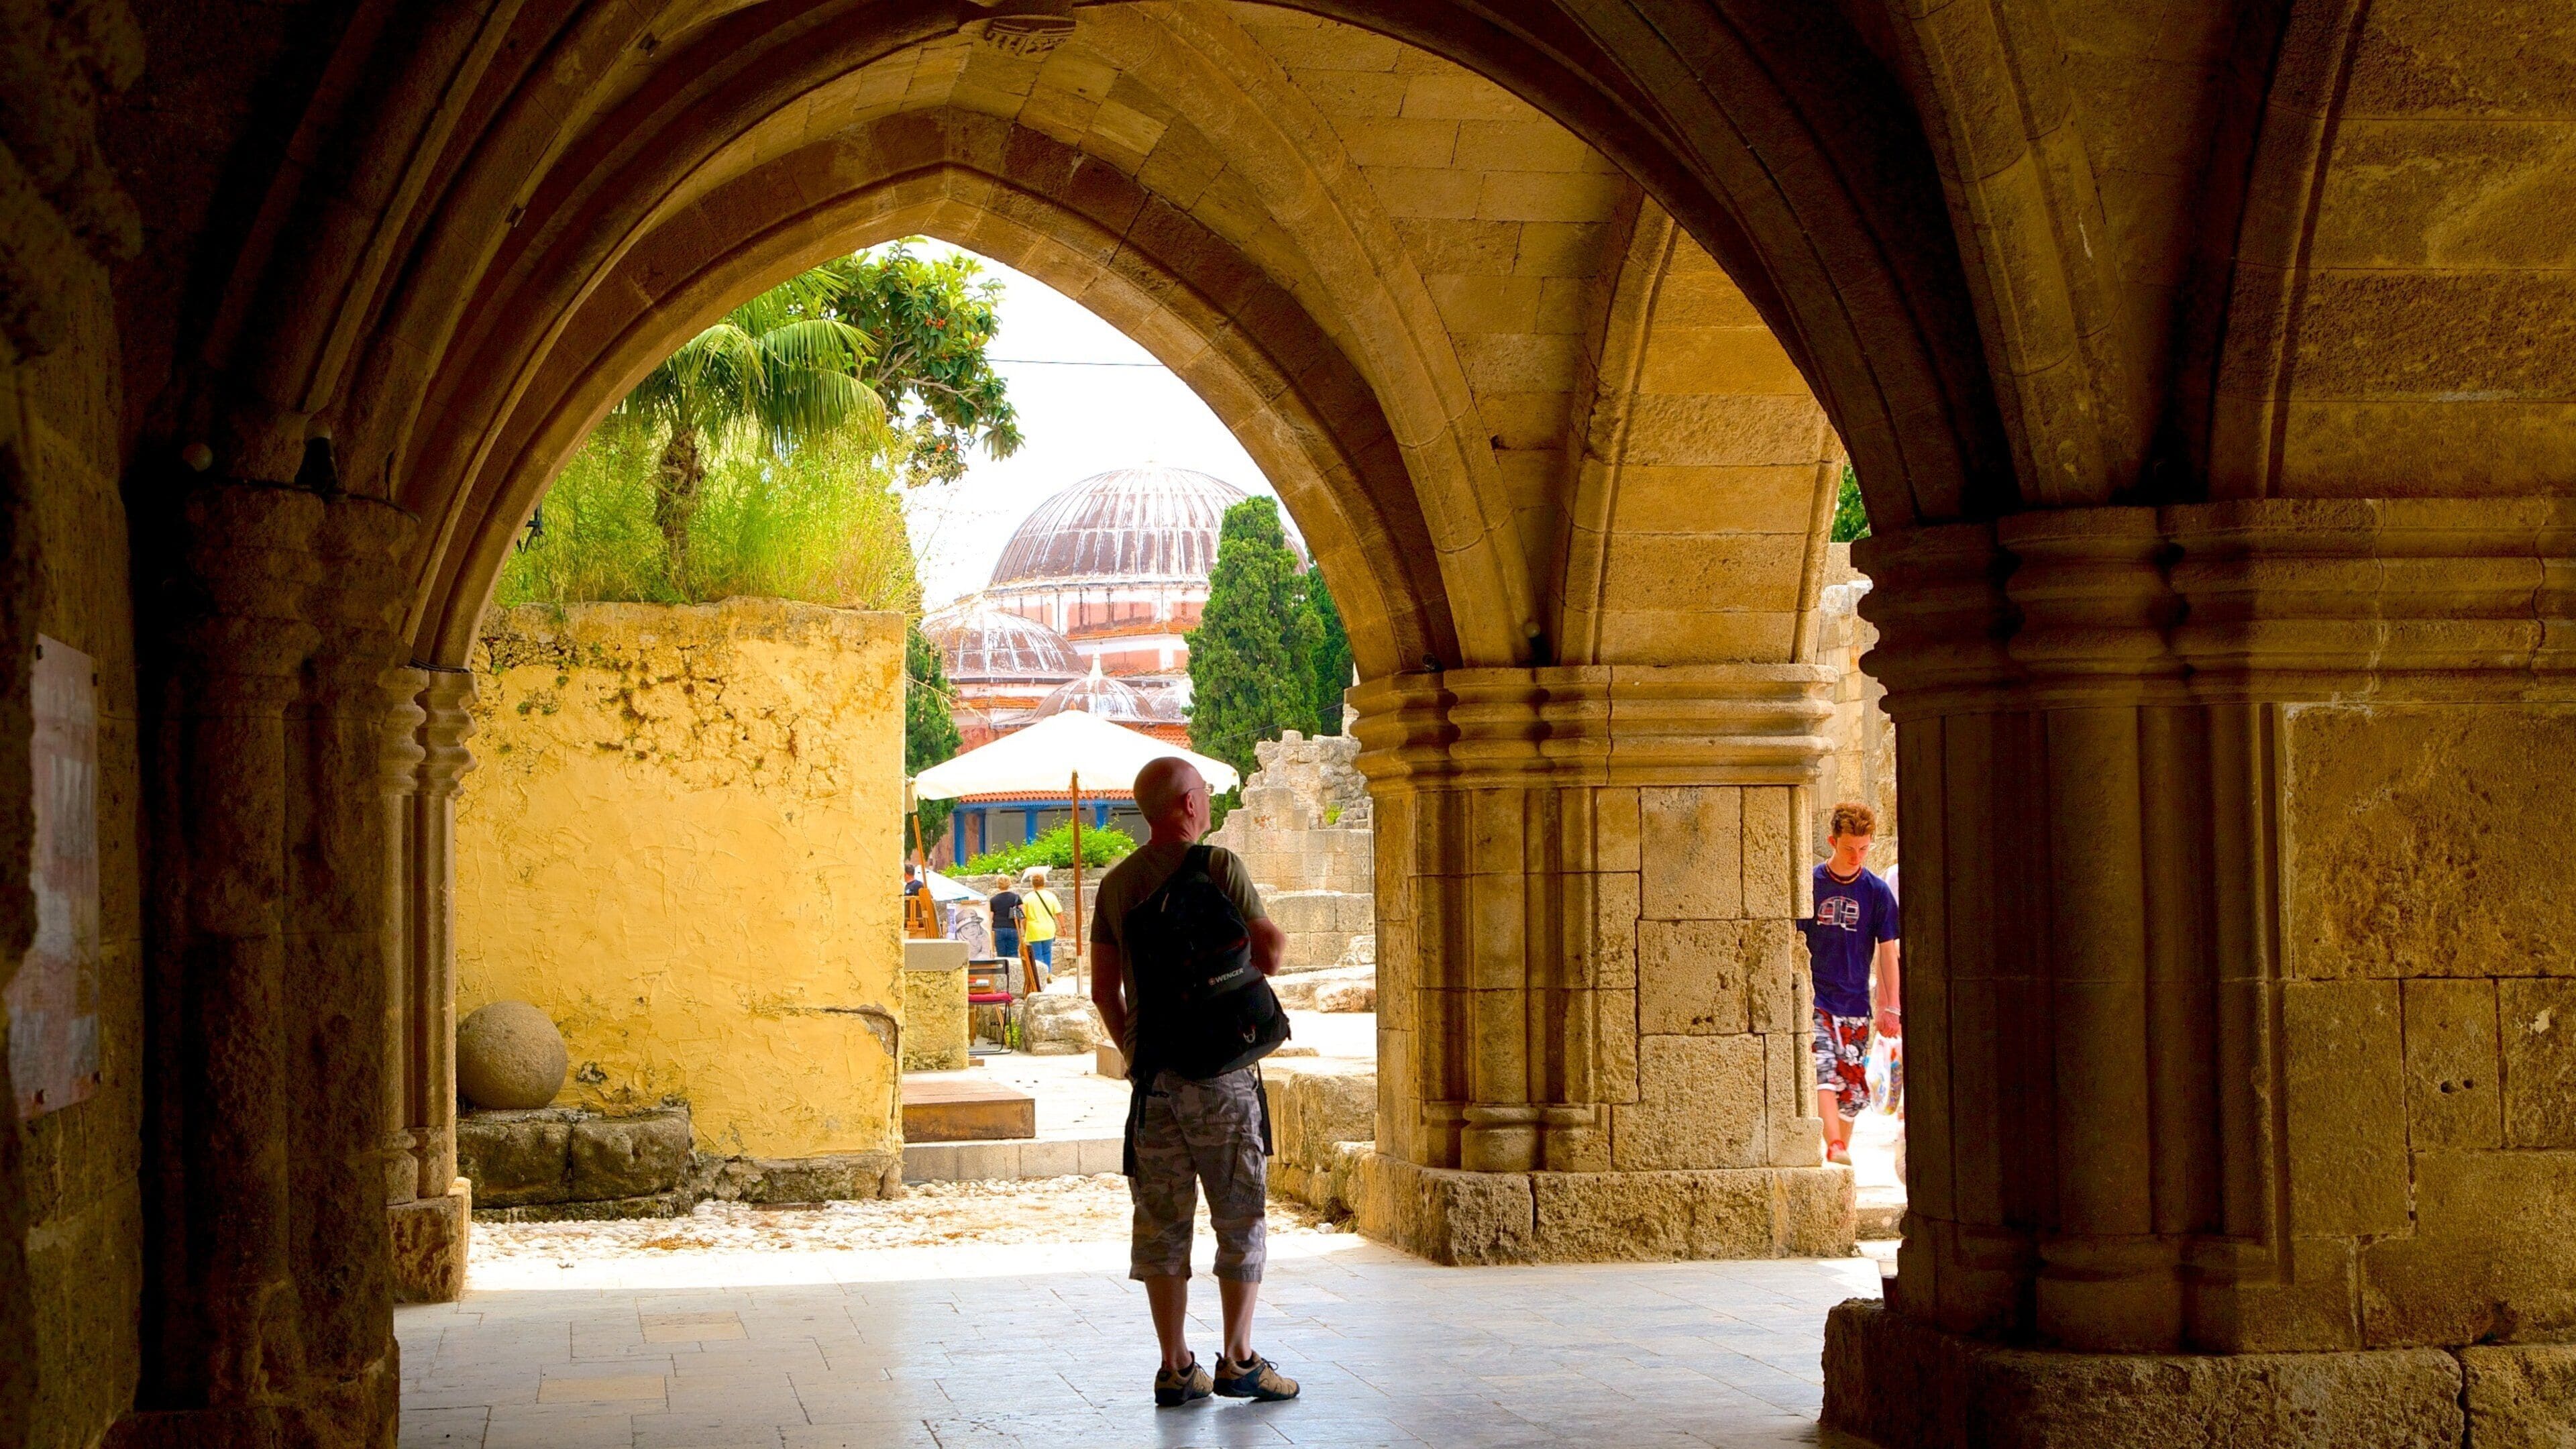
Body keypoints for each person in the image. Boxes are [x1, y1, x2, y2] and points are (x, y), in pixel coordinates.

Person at [1089, 757, 1301, 1408]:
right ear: (1186, 806)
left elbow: (1103, 990)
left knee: (1161, 1222)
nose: (1208, 800)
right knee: (1239, 1213)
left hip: (1155, 1084)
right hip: (1224, 1079)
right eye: (1204, 792)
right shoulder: (1217, 866)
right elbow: (1269, 952)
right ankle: (1238, 1358)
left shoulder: (1115, 885)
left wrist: (1137, 1053)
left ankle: (1175, 1366)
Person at [1798, 801, 1900, 1167]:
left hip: (1856, 1001)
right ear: (1832, 842)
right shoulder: (1810, 884)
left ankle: (1840, 1152)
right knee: (1824, 1068)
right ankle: (1835, 1146)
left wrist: (1892, 1007)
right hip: (1817, 998)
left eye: (1864, 848)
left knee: (1853, 1092)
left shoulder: (1877, 892)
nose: (1856, 856)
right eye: (1848, 848)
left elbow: (1888, 953)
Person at [1021, 867, 1063, 988]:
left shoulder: (1028, 898)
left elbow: (1024, 917)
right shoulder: (1051, 896)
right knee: (1047, 952)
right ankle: (1048, 974)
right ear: (1044, 883)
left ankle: (1040, 976)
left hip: (1034, 929)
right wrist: (1064, 927)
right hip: (1049, 928)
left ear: (1032, 884)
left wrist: (1025, 928)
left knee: (1037, 953)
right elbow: (1059, 913)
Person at [987, 879, 1024, 967]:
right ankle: (1014, 975)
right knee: (1013, 954)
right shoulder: (1016, 898)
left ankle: (1003, 976)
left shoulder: (993, 900)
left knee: (1001, 955)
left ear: (998, 885)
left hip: (998, 929)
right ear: (1009, 884)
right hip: (1013, 928)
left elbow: (990, 918)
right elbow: (1023, 913)